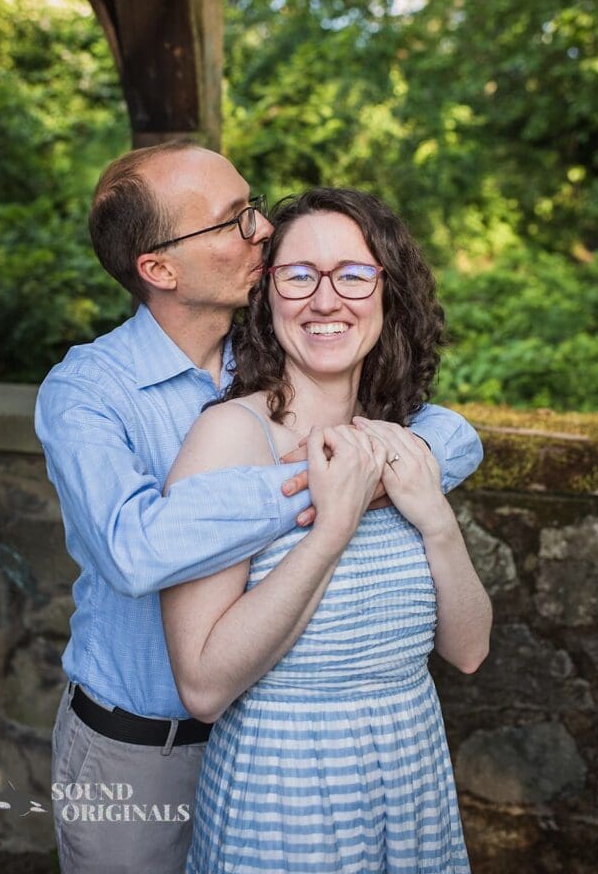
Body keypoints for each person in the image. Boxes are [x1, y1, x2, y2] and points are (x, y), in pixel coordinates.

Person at [35, 143, 484, 874]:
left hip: (268, 738)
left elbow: (446, 433)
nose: (263, 230)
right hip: (142, 749)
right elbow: (134, 550)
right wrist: (322, 483)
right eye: (233, 220)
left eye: (254, 208)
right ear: (160, 269)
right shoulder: (89, 392)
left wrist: (383, 468)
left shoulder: (273, 355)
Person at [161, 186, 492, 874]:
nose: (325, 299)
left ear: (388, 293)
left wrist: (436, 520)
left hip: (410, 775)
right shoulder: (230, 439)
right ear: (267, 296)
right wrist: (329, 531)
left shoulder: (403, 440)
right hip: (287, 791)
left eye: (353, 274)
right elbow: (203, 687)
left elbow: (468, 652)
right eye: (299, 275)